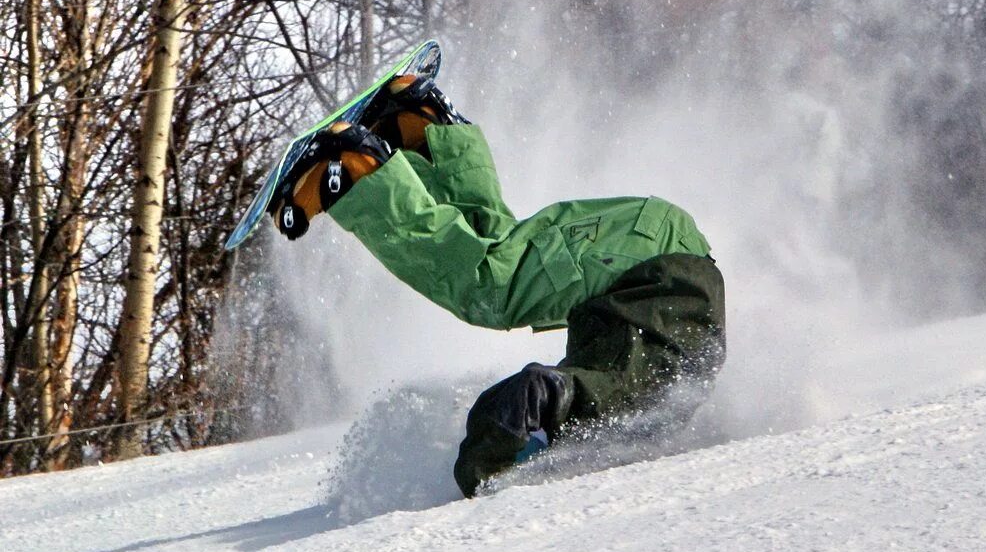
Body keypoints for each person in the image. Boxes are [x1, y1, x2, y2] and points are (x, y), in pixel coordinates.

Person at [270, 75, 726, 497]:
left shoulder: (661, 405)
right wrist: (482, 480)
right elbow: (530, 393)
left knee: (497, 253)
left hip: (661, 246)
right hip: (649, 265)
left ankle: (424, 130)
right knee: (488, 289)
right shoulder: (621, 418)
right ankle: (351, 168)